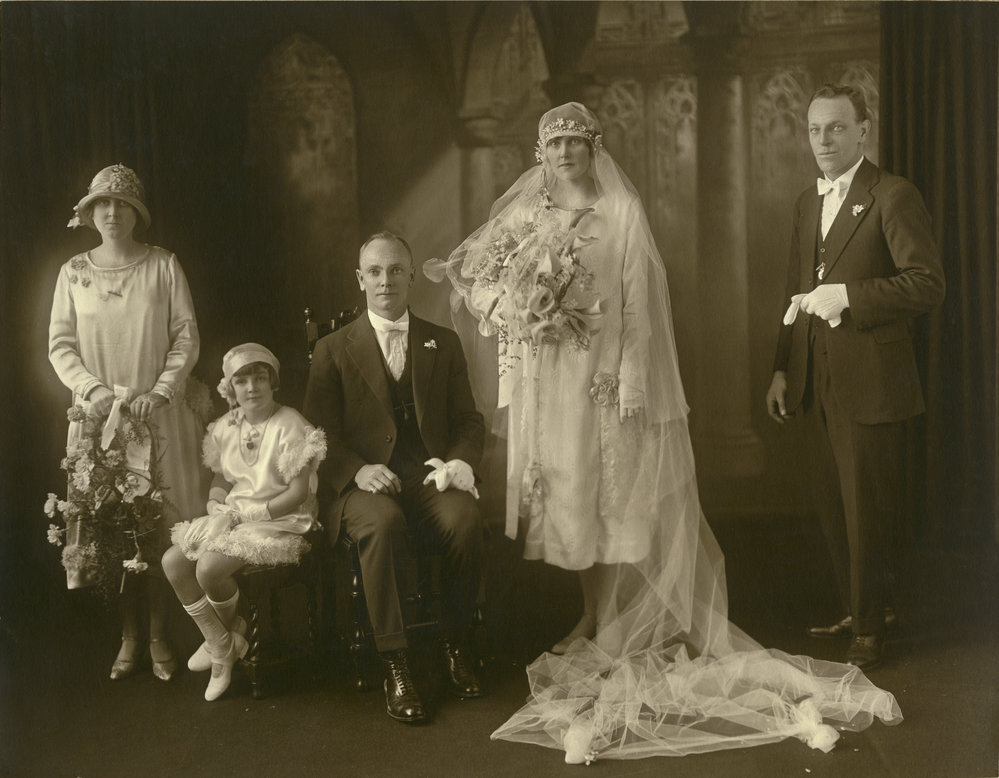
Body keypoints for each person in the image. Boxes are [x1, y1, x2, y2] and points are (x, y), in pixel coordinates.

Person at [428, 102, 903, 762]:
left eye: (575, 142)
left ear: (593, 148)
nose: (565, 153)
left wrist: (628, 383)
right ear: (540, 152)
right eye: (554, 143)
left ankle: (615, 624)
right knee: (569, 502)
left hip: (601, 381)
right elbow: (474, 275)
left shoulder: (620, 213)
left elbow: (639, 305)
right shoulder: (525, 213)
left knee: (610, 500)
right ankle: (591, 615)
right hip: (551, 383)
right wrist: (511, 310)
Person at [766, 84, 945, 670]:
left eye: (837, 128)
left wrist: (849, 297)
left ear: (863, 130)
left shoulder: (892, 195)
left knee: (866, 509)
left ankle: (871, 627)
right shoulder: (804, 203)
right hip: (814, 381)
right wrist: (780, 369)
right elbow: (795, 289)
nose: (823, 140)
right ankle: (861, 607)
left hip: (871, 381)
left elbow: (927, 284)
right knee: (831, 504)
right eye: (815, 129)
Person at [304, 232, 486, 724]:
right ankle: (396, 661)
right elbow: (317, 435)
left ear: (410, 276)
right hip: (364, 485)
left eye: (396, 270)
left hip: (426, 477)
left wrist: (457, 464)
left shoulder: (441, 342)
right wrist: (357, 470)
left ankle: (455, 643)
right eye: (375, 272)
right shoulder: (332, 348)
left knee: (465, 518)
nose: (386, 280)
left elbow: (469, 421)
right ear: (360, 279)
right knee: (381, 526)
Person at [49, 163, 206, 682]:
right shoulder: (73, 273)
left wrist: (160, 391)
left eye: (122, 204)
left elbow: (185, 334)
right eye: (102, 204)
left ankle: (160, 633)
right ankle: (129, 635)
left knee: (157, 527)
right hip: (97, 420)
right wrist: (92, 392)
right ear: (90, 213)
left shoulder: (163, 266)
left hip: (156, 418)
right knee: (112, 529)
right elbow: (60, 345)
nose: (111, 212)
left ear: (137, 214)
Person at [163, 343, 327, 701]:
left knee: (207, 568)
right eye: (242, 381)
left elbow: (299, 493)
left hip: (280, 518)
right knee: (173, 562)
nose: (251, 388)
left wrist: (253, 513)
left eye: (260, 378)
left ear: (273, 383)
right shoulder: (226, 426)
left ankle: (221, 648)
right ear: (230, 389)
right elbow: (223, 477)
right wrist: (215, 502)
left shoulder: (290, 424)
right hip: (236, 515)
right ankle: (221, 641)